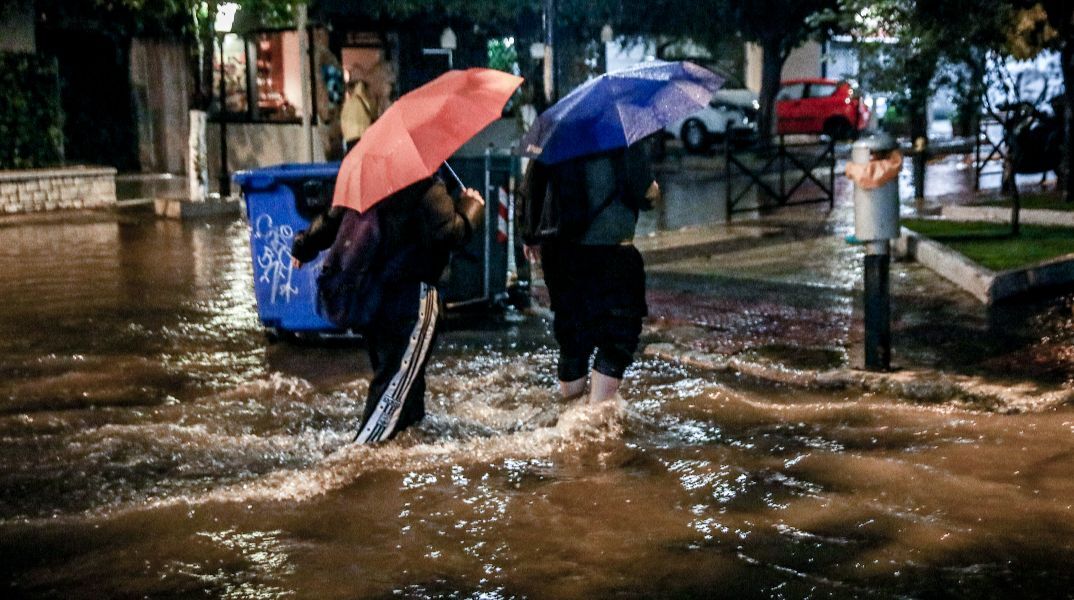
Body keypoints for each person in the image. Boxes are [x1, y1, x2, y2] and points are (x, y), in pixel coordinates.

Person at [291, 175, 484, 442]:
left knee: (406, 388)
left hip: (373, 300)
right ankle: (362, 456)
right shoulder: (424, 186)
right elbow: (450, 233)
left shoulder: (366, 182)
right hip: (412, 301)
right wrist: (471, 207)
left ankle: (406, 450)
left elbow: (333, 219)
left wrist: (304, 245)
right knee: (393, 389)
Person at [522, 142, 661, 404]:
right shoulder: (622, 134)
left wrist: (529, 234)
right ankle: (595, 413)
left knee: (573, 337)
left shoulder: (556, 130)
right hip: (612, 251)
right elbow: (644, 193)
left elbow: (532, 185)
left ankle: (570, 410)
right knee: (618, 335)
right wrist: (653, 190)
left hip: (560, 253)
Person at [339, 78, 375, 154]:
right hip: (363, 137)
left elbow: (343, 122)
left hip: (350, 139)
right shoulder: (365, 101)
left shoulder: (349, 103)